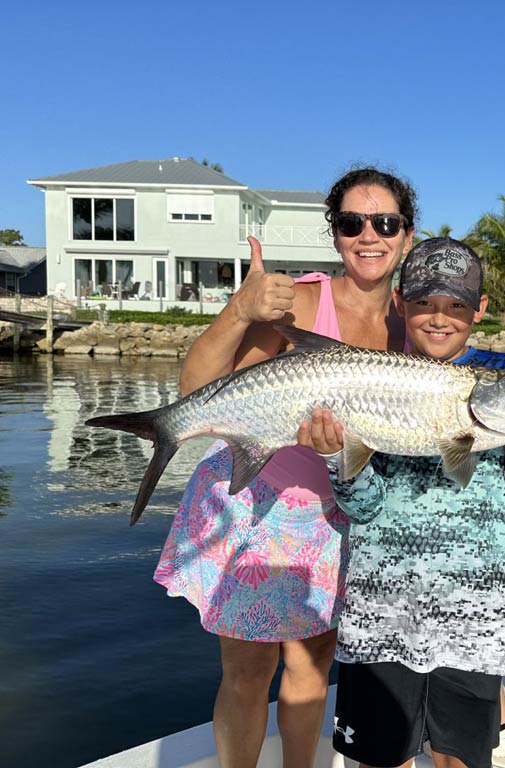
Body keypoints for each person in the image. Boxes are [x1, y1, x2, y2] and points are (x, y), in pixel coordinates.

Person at [153, 167, 417, 768]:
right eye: (352, 223)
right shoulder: (299, 299)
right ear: (335, 234)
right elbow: (198, 389)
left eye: (385, 223)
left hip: (340, 517)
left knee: (311, 666)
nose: (369, 235)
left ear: (406, 235)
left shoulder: (413, 323)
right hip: (261, 501)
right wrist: (240, 310)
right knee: (249, 670)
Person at [297, 237, 505, 768]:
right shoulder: (372, 381)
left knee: (459, 759)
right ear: (401, 304)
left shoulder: (500, 379)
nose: (440, 318)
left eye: (457, 305)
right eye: (424, 303)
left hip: (473, 618)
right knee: (380, 758)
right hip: (379, 616)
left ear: (479, 310)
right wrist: (334, 456)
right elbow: (362, 508)